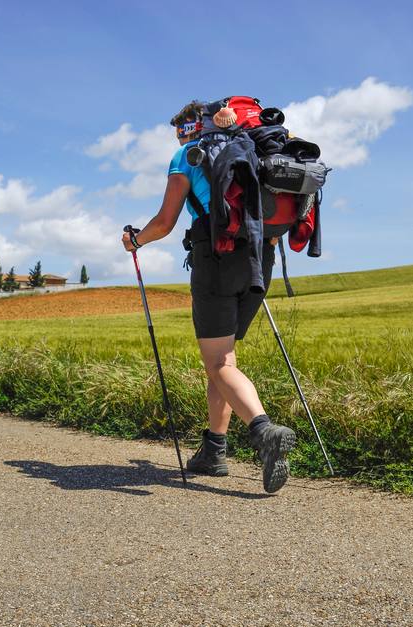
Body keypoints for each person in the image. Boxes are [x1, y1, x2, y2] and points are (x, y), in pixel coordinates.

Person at [121, 101, 296, 494]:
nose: (181, 136)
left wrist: (135, 240)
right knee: (223, 359)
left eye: (183, 128)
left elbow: (165, 223)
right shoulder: (250, 147)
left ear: (193, 125)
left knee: (218, 361)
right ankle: (214, 450)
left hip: (216, 257)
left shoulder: (187, 156)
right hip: (259, 259)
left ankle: (264, 431)